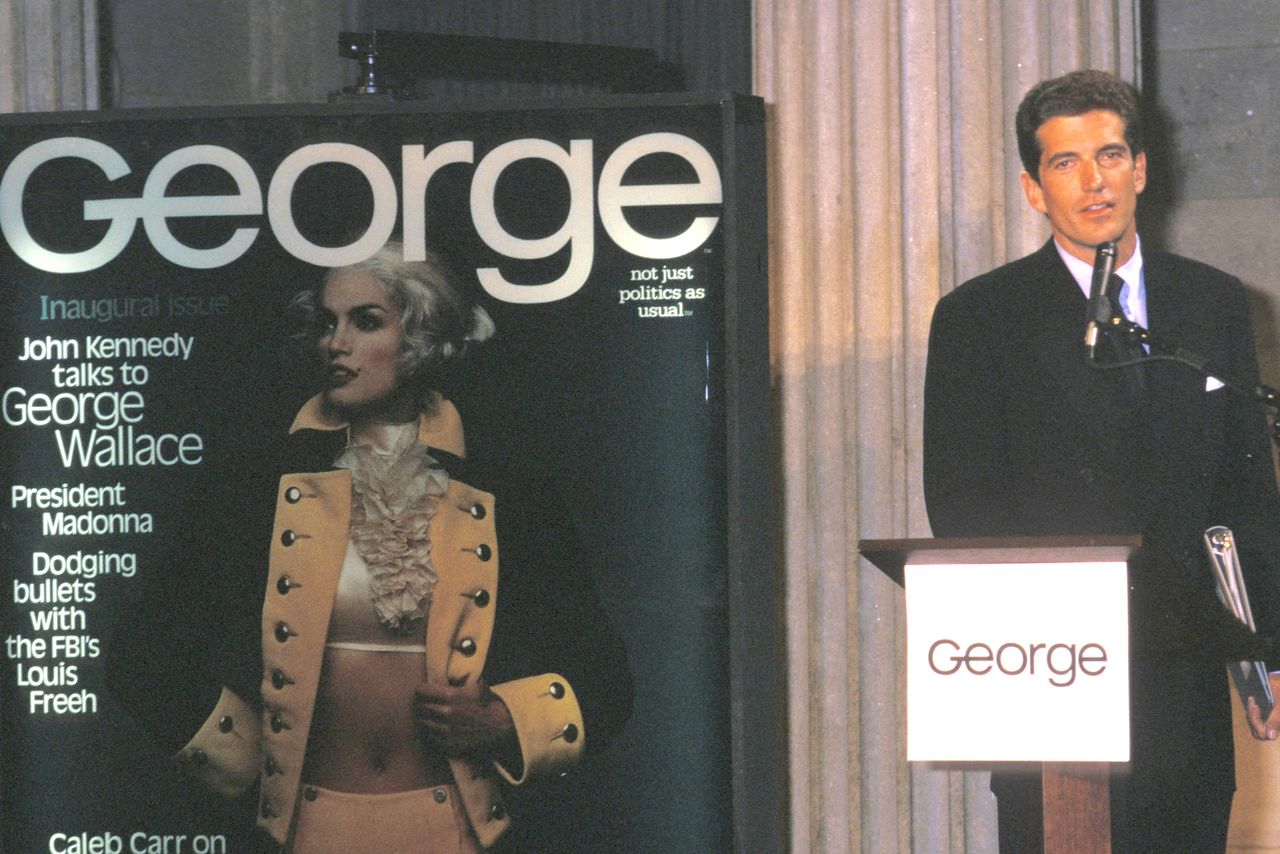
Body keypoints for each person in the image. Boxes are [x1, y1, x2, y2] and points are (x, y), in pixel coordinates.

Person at [108, 241, 633, 852]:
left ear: (421, 335)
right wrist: (254, 763)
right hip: (303, 831)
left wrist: (501, 720)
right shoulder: (254, 485)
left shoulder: (507, 491)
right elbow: (141, 655)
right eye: (328, 322)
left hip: (457, 831)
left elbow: (606, 682)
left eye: (366, 321)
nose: (337, 342)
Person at [923, 69, 1280, 852]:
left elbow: (1246, 491)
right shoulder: (980, 318)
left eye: (1111, 155)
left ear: (1142, 169)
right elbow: (962, 507)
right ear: (1032, 187)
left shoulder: (1213, 303)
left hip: (1182, 701)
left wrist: (1267, 654)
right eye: (1066, 162)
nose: (1094, 182)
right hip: (1050, 687)